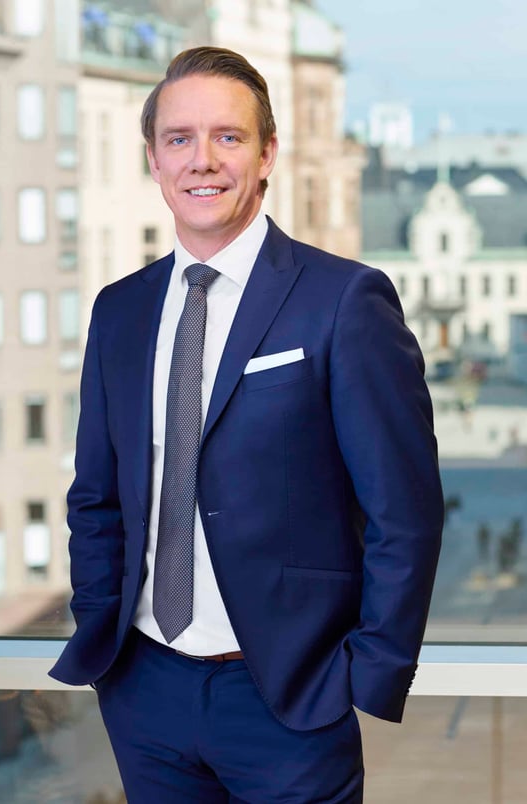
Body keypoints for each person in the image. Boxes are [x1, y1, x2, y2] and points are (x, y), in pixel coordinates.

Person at [50, 46, 443, 803]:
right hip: (144, 690)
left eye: (227, 137)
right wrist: (104, 633)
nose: (202, 160)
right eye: (179, 138)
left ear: (266, 155)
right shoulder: (120, 309)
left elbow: (405, 511)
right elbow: (96, 496)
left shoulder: (344, 301)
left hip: (290, 700)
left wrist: (369, 671)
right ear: (154, 160)